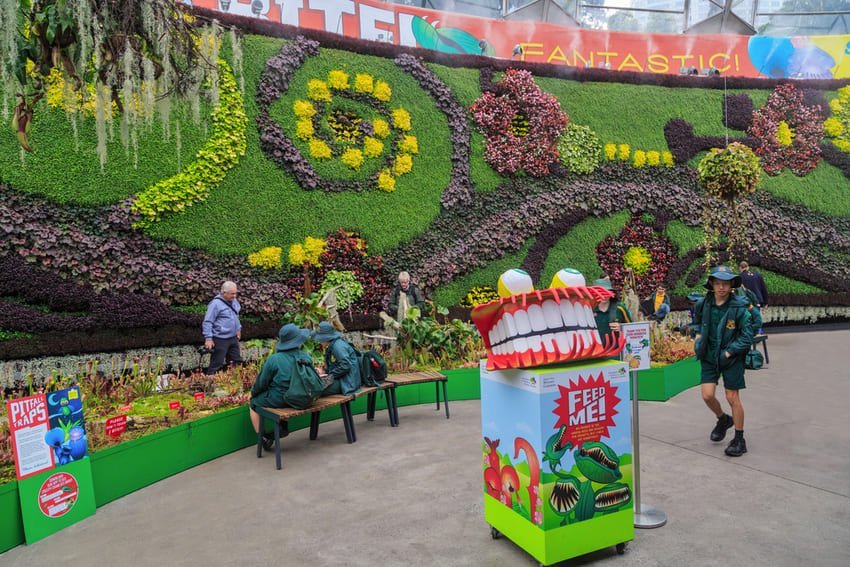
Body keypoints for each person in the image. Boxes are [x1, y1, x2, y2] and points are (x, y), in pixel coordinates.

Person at [693, 266, 753, 457]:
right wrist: (698, 336)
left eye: (725, 284)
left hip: (731, 357)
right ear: (711, 284)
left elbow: (747, 336)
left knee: (732, 396)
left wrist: (729, 353)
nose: (721, 287)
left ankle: (739, 438)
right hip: (709, 356)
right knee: (707, 395)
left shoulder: (738, 308)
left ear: (731, 286)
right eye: (718, 283)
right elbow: (698, 323)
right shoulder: (704, 304)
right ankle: (723, 419)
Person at [249, 324, 313, 449]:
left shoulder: (274, 359)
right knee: (283, 390)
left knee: (253, 402)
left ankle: (262, 438)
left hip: (282, 399)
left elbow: (261, 383)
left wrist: (252, 393)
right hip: (303, 397)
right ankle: (282, 427)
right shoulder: (305, 356)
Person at [202, 281, 243, 375]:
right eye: (232, 293)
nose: (234, 296)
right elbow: (208, 322)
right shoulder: (215, 304)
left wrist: (238, 329)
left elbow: (236, 316)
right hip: (220, 339)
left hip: (233, 338)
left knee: (236, 361)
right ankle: (209, 384)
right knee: (217, 363)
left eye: (235, 293)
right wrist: (208, 338)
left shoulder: (234, 301)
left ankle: (234, 383)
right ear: (224, 293)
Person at [312, 321, 361, 395]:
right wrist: (324, 371)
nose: (319, 341)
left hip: (347, 383)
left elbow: (345, 365)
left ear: (326, 338)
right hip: (343, 379)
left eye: (320, 339)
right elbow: (337, 364)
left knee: (314, 388)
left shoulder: (338, 347)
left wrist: (330, 375)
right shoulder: (333, 344)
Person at [592, 278, 632, 345]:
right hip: (596, 352)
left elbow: (633, 329)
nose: (603, 296)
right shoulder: (589, 310)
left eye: (606, 292)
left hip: (616, 352)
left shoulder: (619, 308)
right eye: (599, 292)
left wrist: (622, 328)